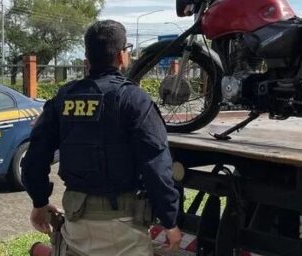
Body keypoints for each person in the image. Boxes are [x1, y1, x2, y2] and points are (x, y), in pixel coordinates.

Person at [21, 20, 182, 256]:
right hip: (123, 229)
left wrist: (40, 202)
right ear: (122, 56)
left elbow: (34, 158)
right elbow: (156, 165)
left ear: (86, 59)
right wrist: (170, 221)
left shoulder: (64, 98)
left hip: (76, 226)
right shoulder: (133, 99)